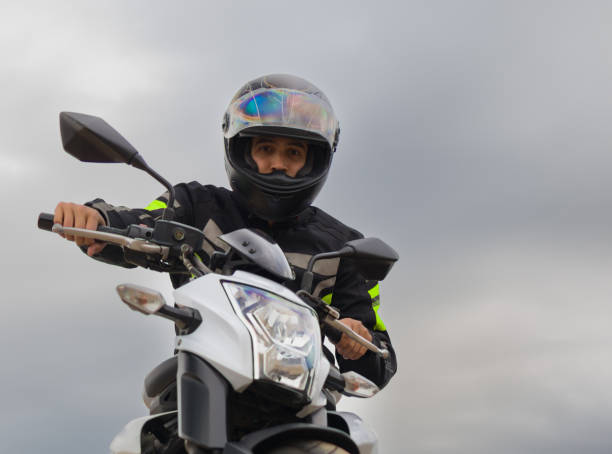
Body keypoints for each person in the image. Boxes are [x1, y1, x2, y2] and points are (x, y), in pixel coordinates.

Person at [54, 74, 397, 388]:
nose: (278, 163)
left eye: (293, 152)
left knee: (350, 434)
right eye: (266, 149)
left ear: (315, 160)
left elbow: (381, 358)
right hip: (204, 376)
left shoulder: (343, 247)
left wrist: (358, 340)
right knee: (153, 421)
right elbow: (143, 223)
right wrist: (95, 219)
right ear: (241, 150)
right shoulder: (194, 206)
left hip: (305, 390)